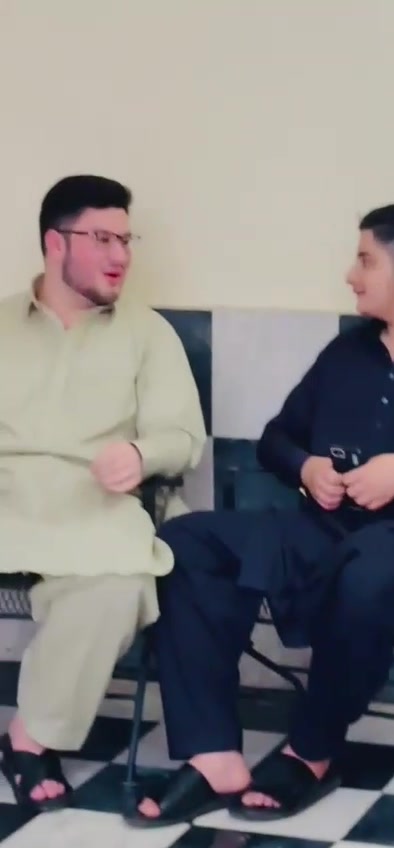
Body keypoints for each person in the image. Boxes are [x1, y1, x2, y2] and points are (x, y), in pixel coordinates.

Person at [132, 202, 394, 828]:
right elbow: (276, 439)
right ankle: (214, 756)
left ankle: (312, 751)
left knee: (368, 577)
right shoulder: (347, 352)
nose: (351, 274)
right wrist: (307, 467)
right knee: (186, 540)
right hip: (322, 526)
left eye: (365, 260)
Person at [0, 175, 206, 813]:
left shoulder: (148, 333)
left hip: (93, 505)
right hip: (7, 499)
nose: (121, 255)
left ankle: (29, 738)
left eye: (126, 239)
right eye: (103, 238)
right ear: (55, 243)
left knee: (120, 586)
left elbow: (183, 437)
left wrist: (141, 455)